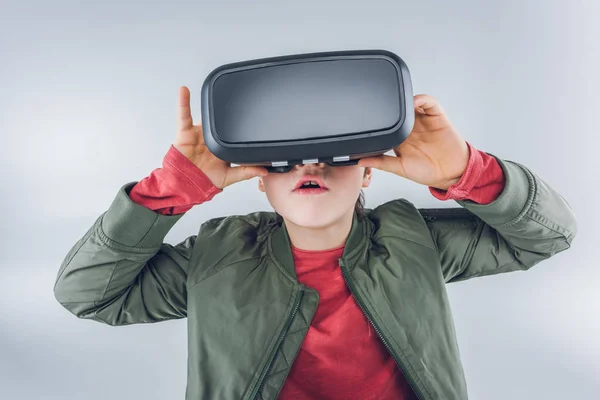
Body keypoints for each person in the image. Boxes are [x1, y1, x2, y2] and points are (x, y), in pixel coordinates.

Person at [53, 86, 577, 400]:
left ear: (369, 174)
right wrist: (164, 195)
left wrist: (467, 169)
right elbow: (87, 293)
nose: (311, 165)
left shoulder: (413, 239)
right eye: (284, 158)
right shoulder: (215, 255)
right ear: (261, 179)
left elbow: (545, 237)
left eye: (336, 154)